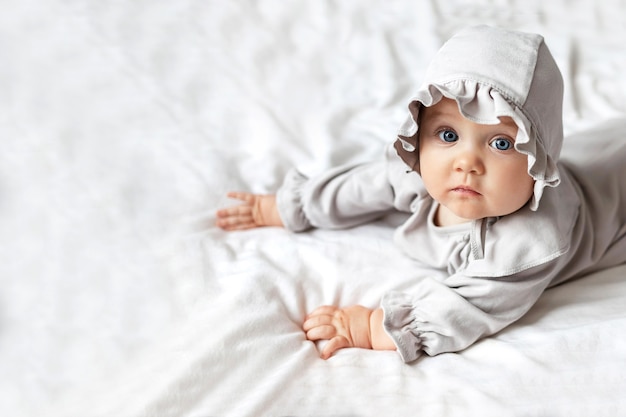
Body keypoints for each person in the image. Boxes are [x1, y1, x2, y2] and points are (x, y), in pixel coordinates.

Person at [215, 25, 626, 362]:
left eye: (501, 143)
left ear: (539, 161)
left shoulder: (530, 243)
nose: (467, 162)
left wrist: (372, 326)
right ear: (419, 134)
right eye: (448, 135)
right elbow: (362, 186)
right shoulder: (421, 172)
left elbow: (470, 307)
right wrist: (291, 206)